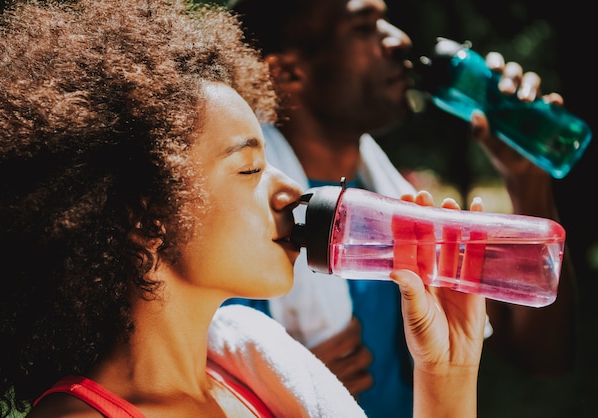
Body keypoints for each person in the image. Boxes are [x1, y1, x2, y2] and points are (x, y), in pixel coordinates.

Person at [0, 0, 489, 417]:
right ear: (146, 216)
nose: (291, 191)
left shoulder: (254, 376)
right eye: (249, 168)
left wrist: (447, 377)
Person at [224, 0, 578, 417]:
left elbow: (543, 357)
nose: (399, 39)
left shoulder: (399, 205)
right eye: (364, 27)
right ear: (287, 72)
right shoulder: (244, 229)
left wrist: (527, 179)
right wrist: (275, 386)